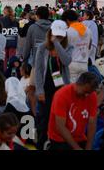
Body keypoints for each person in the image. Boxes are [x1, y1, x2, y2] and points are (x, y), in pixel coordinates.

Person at [34, 20, 73, 149]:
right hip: (46, 89)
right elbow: (38, 70)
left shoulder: (68, 46)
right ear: (50, 33)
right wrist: (39, 90)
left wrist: (57, 44)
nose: (59, 38)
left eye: (61, 36)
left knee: (60, 120)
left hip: (62, 90)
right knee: (44, 120)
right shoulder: (42, 48)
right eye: (57, 35)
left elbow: (66, 61)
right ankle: (41, 144)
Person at [48, 72, 99, 150]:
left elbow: (92, 123)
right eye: (85, 92)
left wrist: (88, 147)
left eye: (89, 93)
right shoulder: (61, 95)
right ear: (79, 84)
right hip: (59, 138)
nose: (86, 95)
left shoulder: (92, 95)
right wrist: (77, 148)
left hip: (79, 137)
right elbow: (60, 127)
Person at [22, 6, 51, 115]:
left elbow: (27, 47)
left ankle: (35, 114)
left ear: (37, 16)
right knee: (52, 90)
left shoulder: (32, 28)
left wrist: (23, 60)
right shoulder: (53, 27)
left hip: (37, 65)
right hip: (52, 65)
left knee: (31, 89)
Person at [62, 10, 92, 82]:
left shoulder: (67, 32)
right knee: (83, 89)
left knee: (72, 89)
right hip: (84, 63)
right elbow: (90, 46)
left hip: (71, 65)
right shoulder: (88, 30)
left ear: (67, 20)